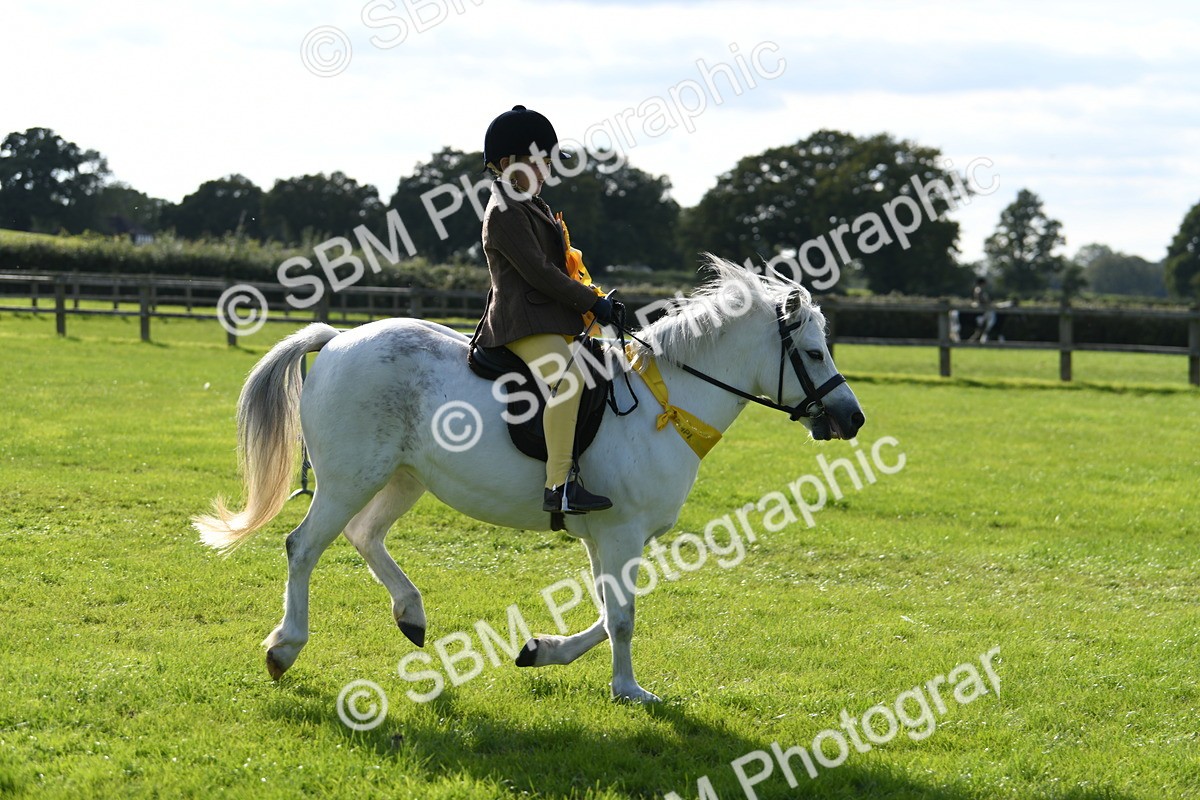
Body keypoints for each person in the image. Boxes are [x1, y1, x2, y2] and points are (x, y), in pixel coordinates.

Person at [470, 105, 615, 515]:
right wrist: (592, 303)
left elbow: (561, 265)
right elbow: (538, 272)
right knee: (568, 380)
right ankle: (559, 486)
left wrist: (594, 297)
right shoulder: (504, 209)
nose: (547, 171)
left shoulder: (532, 204)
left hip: (549, 317)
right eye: (540, 162)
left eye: (549, 162)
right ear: (506, 164)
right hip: (521, 322)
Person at [968, 277, 997, 343]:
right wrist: (988, 303)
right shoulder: (979, 289)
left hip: (982, 308)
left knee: (980, 329)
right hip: (982, 309)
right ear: (982, 283)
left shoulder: (978, 289)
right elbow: (982, 300)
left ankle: (974, 340)